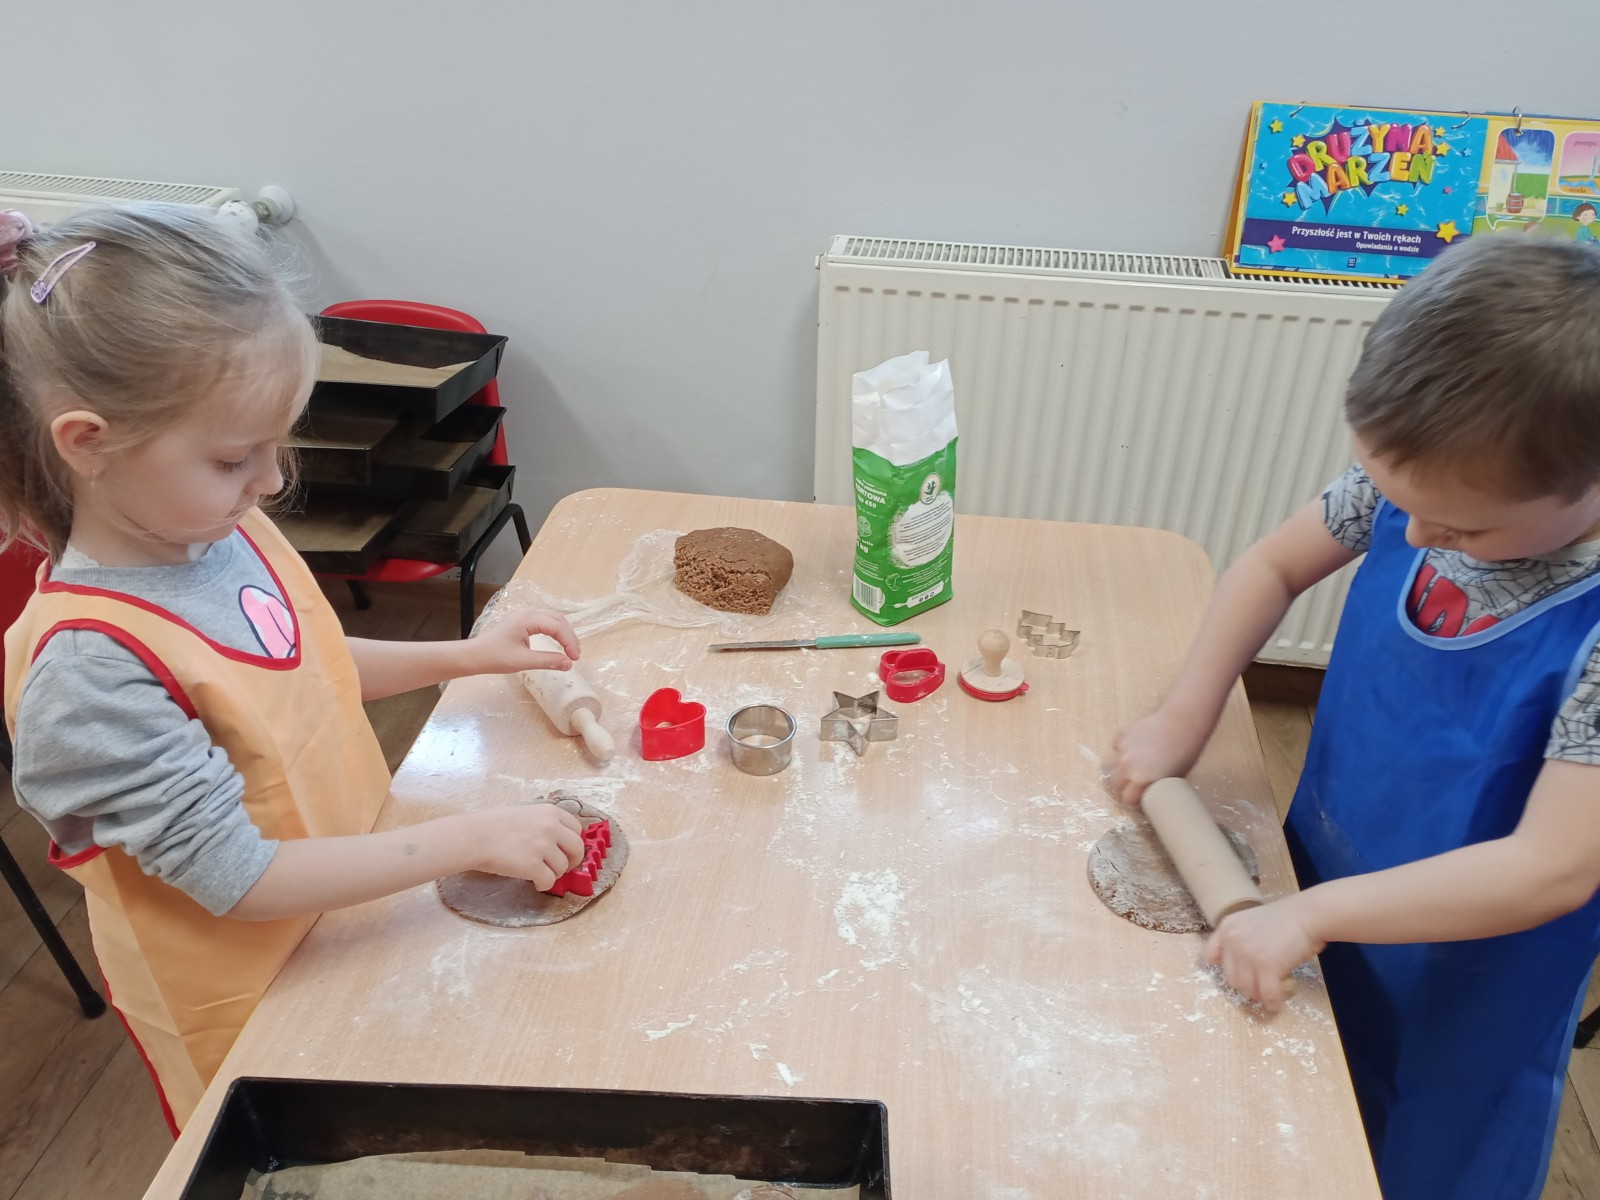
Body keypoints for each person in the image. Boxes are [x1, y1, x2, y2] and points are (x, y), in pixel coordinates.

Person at [0, 204, 588, 1133]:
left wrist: (471, 654)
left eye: (276, 444)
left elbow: (297, 669)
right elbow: (236, 877)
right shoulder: (89, 671)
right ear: (88, 443)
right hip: (254, 999)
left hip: (350, 905)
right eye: (236, 456)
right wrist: (468, 839)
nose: (272, 481)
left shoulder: (210, 529)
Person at [1110, 235, 1600, 1200]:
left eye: (1464, 529)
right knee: (1286, 1120)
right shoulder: (1431, 479)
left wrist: (1315, 916)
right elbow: (1272, 564)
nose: (1414, 534)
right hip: (1322, 870)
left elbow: (1551, 867)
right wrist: (1185, 715)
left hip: (1463, 990)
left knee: (1404, 1163)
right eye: (1397, 498)